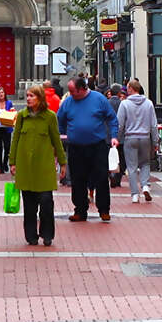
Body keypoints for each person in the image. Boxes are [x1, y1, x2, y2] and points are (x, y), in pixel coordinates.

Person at [10, 83, 67, 247]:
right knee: (29, 206)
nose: (28, 99)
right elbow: (15, 139)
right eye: (27, 95)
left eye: (32, 96)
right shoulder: (22, 116)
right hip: (26, 167)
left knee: (46, 202)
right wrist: (12, 162)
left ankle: (47, 234)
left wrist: (63, 162)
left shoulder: (50, 117)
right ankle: (31, 236)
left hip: (44, 167)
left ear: (40, 98)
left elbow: (56, 140)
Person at [57, 75, 119, 223]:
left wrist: (114, 136)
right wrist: (62, 134)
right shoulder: (68, 102)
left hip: (97, 145)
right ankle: (80, 210)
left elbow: (112, 118)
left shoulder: (99, 99)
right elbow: (60, 119)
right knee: (77, 179)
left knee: (101, 178)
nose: (71, 94)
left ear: (82, 89)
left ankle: (104, 210)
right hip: (76, 147)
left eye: (73, 91)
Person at [117, 80, 159, 204]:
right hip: (145, 137)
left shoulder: (124, 104)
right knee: (145, 163)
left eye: (127, 88)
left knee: (132, 167)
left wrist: (117, 138)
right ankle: (145, 186)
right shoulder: (149, 103)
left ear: (130, 88)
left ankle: (135, 194)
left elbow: (120, 124)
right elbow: (153, 125)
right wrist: (155, 141)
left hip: (130, 138)